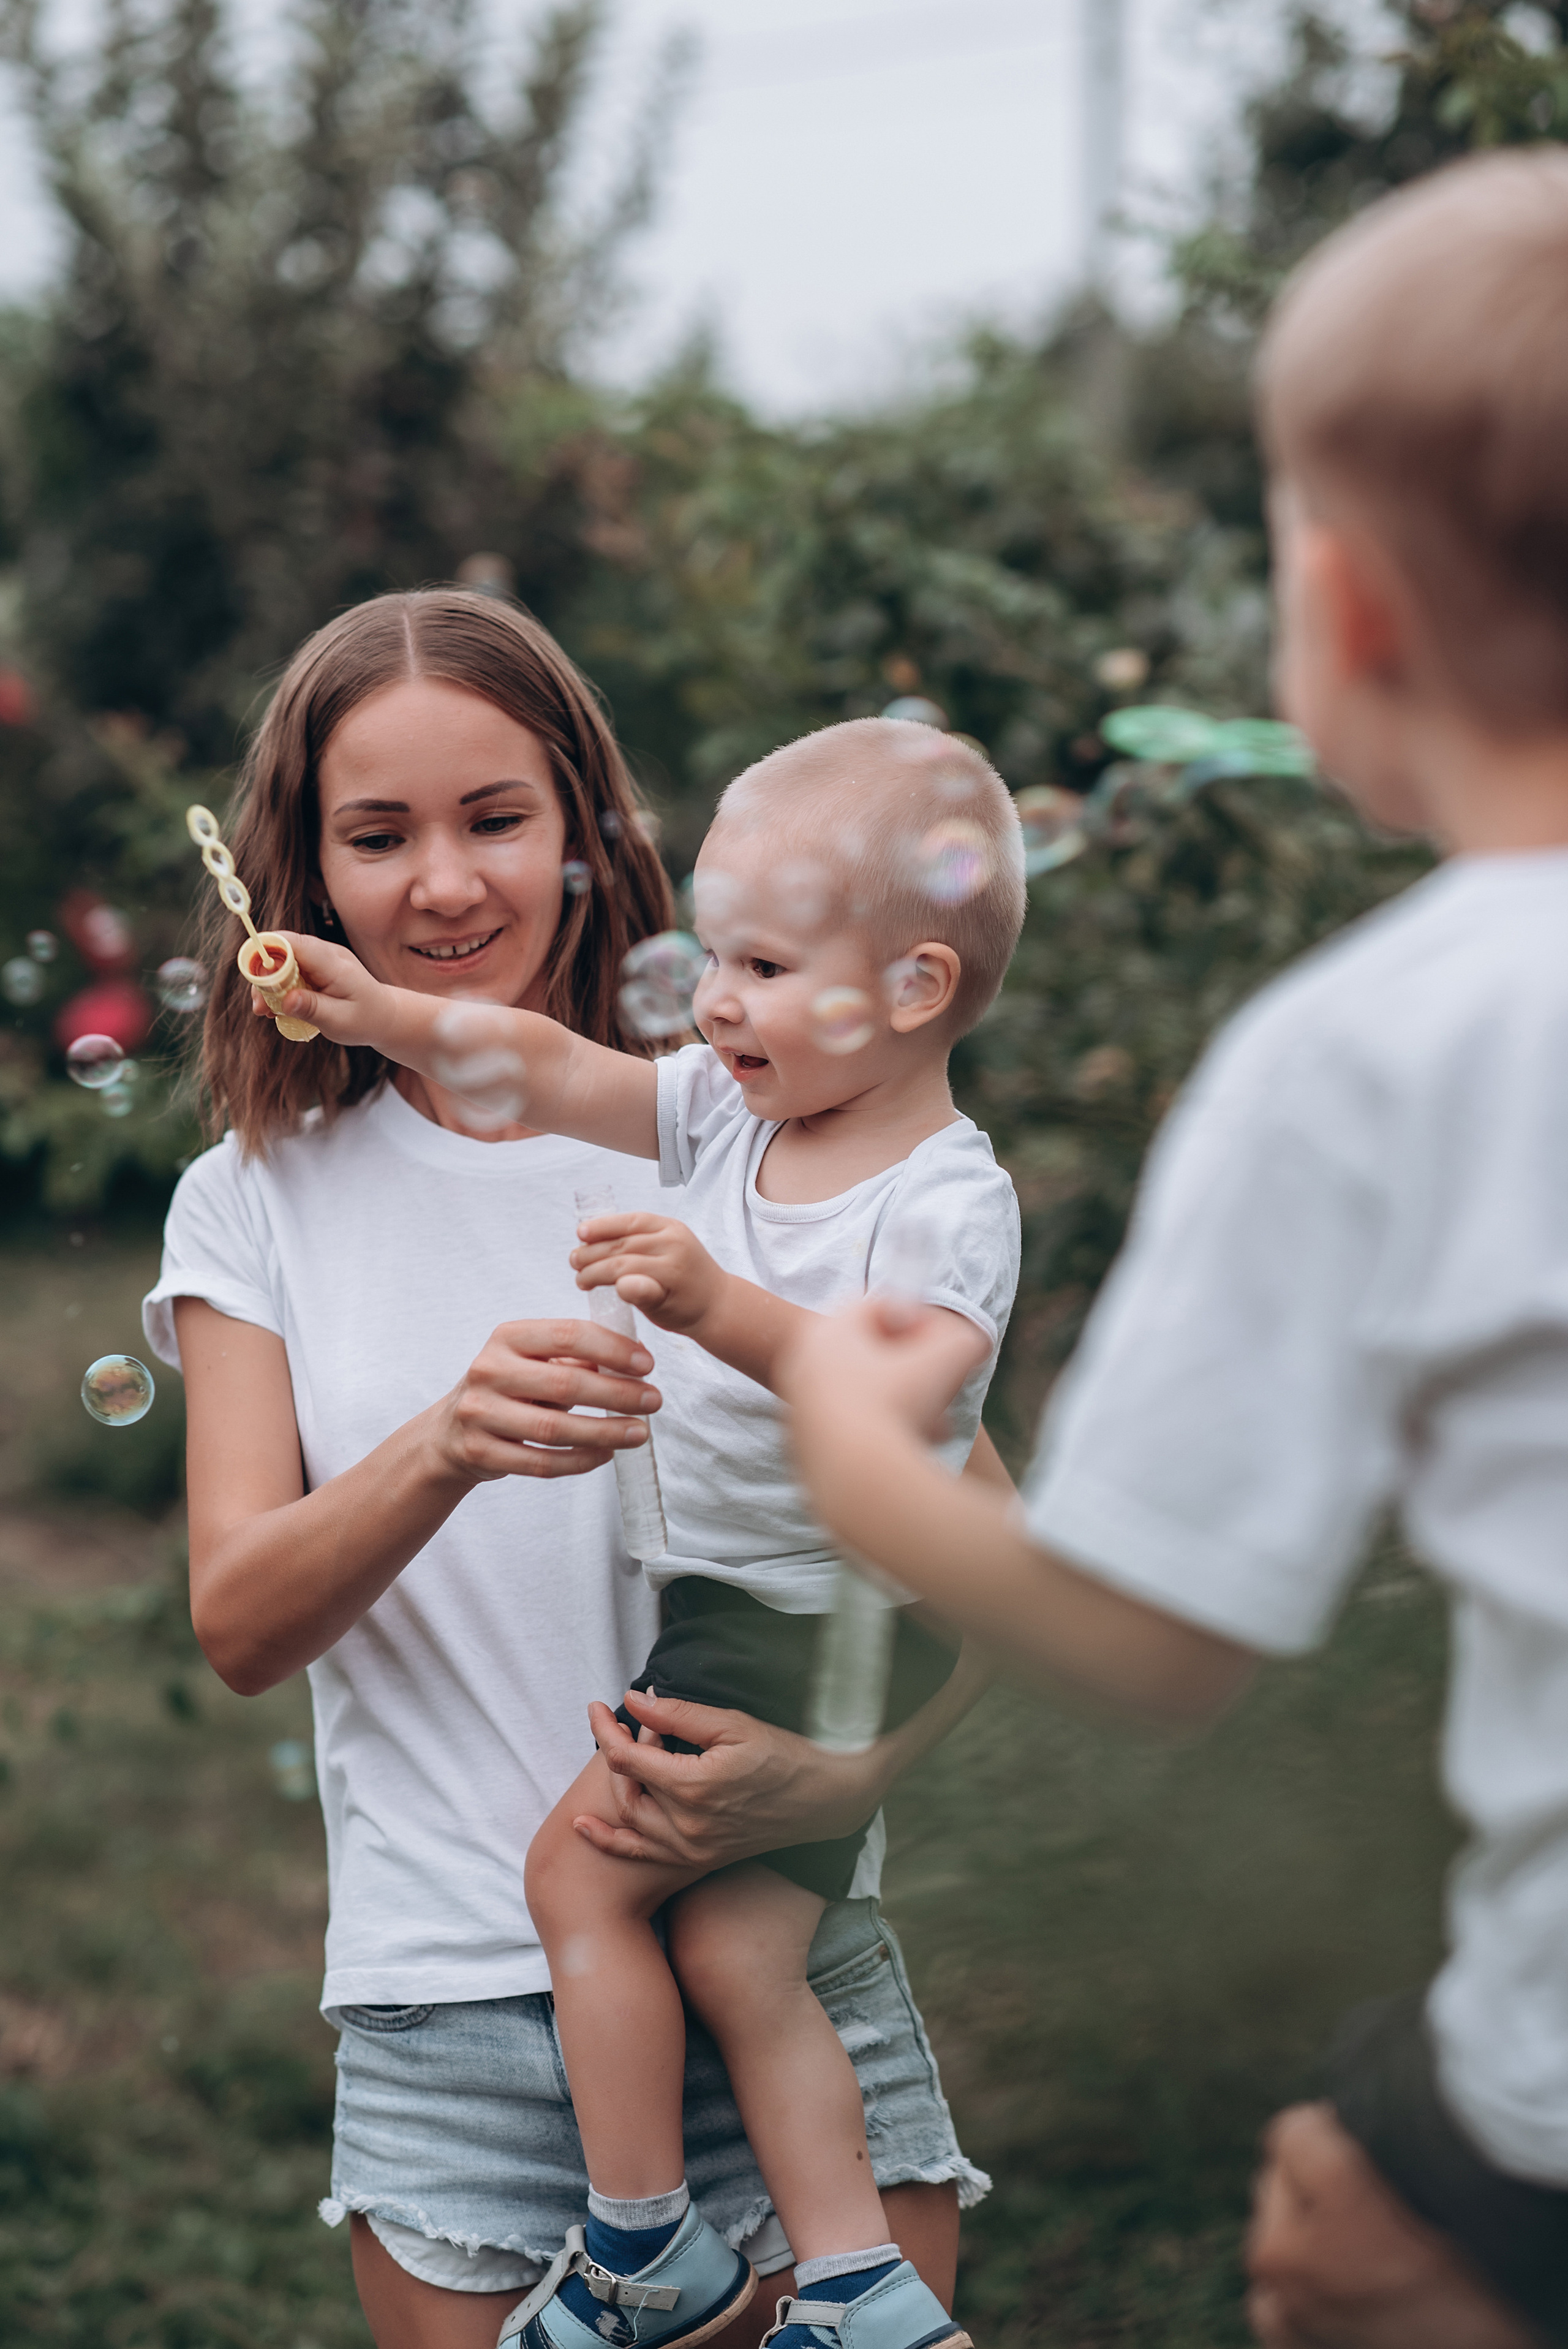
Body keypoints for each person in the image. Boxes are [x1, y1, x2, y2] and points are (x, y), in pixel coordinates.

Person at [777, 150, 1568, 2349]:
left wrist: (858, 1454)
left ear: (1355, 611)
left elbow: (1154, 1641)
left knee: (1334, 2252)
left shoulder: (1371, 1050)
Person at [140, 591, 1001, 2349]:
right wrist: (446, 1444)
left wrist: (835, 1776)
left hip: (770, 1961)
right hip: (450, 2008)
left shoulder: (739, 1130)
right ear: (306, 871)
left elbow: (991, 1558)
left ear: (586, 834)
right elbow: (239, 1619)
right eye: (378, 835)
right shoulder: (254, 1199)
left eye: (496, 819)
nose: (445, 884)